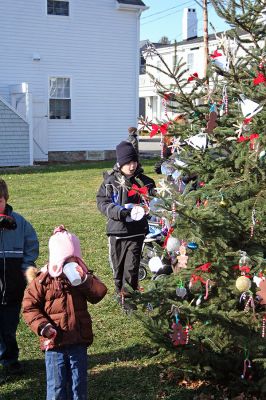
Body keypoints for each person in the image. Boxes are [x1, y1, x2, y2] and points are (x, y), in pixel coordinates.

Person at [22, 225, 107, 400]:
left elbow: (99, 293)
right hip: (54, 343)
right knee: (57, 385)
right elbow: (29, 307)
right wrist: (43, 327)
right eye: (66, 260)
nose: (71, 264)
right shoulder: (43, 281)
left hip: (78, 340)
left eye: (74, 259)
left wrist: (84, 279)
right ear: (57, 260)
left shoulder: (80, 277)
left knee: (78, 384)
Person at [96, 140, 156, 311]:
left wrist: (149, 205)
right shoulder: (110, 182)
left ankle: (129, 301)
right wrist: (118, 212)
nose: (132, 165)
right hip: (117, 232)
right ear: (120, 163)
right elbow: (102, 202)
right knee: (118, 267)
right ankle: (119, 292)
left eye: (134, 162)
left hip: (136, 232)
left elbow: (154, 201)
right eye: (128, 162)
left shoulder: (145, 182)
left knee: (131, 267)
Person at [0, 178, 39, 384]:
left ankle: (10, 358)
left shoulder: (20, 223)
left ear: (5, 199)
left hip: (12, 287)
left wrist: (26, 270)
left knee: (9, 326)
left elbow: (30, 247)